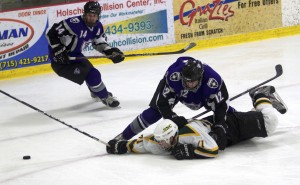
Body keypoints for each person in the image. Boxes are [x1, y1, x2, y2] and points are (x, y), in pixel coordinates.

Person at [106, 86, 288, 160]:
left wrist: (190, 151)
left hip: (230, 126)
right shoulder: (161, 141)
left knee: (270, 122)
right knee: (258, 121)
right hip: (218, 131)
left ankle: (260, 95)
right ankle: (256, 109)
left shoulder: (188, 134)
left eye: (164, 141)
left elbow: (213, 149)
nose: (162, 144)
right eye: (160, 141)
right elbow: (143, 143)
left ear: (174, 136)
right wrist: (122, 146)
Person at [112, 56, 235, 140]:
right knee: (154, 112)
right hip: (176, 90)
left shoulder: (212, 81)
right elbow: (162, 103)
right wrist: (173, 118)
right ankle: (123, 136)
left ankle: (240, 119)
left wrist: (220, 124)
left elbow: (221, 105)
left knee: (222, 112)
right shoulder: (173, 76)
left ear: (201, 78)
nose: (189, 85)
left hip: (203, 94)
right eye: (186, 81)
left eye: (193, 82)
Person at [46, 1, 124, 108]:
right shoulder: (74, 24)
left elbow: (99, 42)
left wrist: (110, 51)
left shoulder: (97, 27)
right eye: (89, 15)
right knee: (92, 74)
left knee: (93, 74)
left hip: (76, 56)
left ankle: (96, 92)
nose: (92, 18)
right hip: (60, 61)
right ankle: (105, 97)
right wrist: (58, 50)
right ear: (85, 14)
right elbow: (51, 33)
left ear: (98, 16)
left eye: (94, 15)